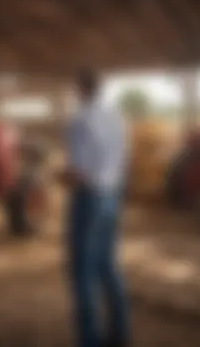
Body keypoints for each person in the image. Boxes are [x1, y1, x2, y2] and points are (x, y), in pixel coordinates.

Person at [58, 69, 129, 347]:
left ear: (80, 88)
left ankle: (89, 340)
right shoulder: (117, 118)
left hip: (87, 199)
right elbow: (123, 163)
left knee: (83, 271)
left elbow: (77, 173)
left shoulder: (80, 120)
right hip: (112, 196)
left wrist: (59, 176)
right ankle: (120, 333)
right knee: (108, 266)